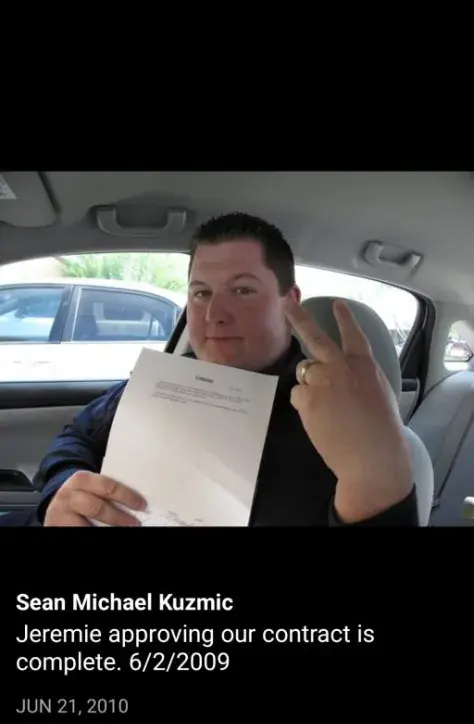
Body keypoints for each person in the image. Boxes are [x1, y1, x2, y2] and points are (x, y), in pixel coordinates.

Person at [30, 212, 418, 527]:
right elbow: (76, 438)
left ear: (289, 302)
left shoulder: (337, 418)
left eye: (242, 290)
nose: (214, 314)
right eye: (201, 293)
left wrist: (378, 484)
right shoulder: (162, 381)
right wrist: (63, 492)